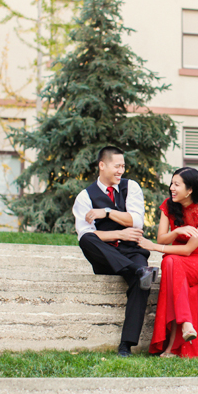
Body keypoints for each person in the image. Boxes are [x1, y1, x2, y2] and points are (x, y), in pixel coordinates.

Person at [72, 146, 158, 357]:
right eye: (117, 166)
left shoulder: (132, 187)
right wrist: (119, 234)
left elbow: (137, 221)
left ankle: (125, 346)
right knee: (86, 240)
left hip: (132, 251)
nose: (121, 171)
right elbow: (86, 233)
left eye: (123, 166)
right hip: (106, 256)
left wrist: (108, 213)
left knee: (141, 281)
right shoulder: (85, 197)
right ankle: (136, 271)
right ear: (102, 165)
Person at [138, 167, 198, 358]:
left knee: (171, 261)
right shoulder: (168, 205)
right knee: (171, 262)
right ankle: (184, 326)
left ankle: (172, 342)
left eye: (176, 184)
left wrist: (154, 247)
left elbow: (188, 250)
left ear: (190, 190)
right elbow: (163, 238)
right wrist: (177, 232)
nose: (171, 188)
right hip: (177, 259)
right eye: (171, 183)